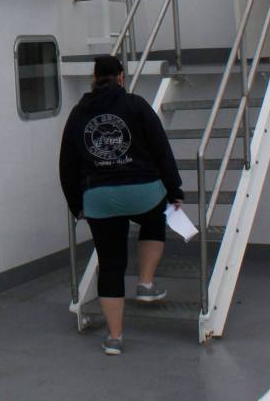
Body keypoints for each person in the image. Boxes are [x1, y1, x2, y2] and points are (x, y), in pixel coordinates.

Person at [59, 55, 184, 356]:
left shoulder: (78, 113)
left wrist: (76, 204)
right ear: (121, 77)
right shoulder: (136, 105)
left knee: (111, 265)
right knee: (155, 219)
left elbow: (67, 164)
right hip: (143, 191)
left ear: (93, 78)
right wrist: (174, 189)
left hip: (99, 197)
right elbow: (160, 149)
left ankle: (114, 337)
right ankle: (146, 283)